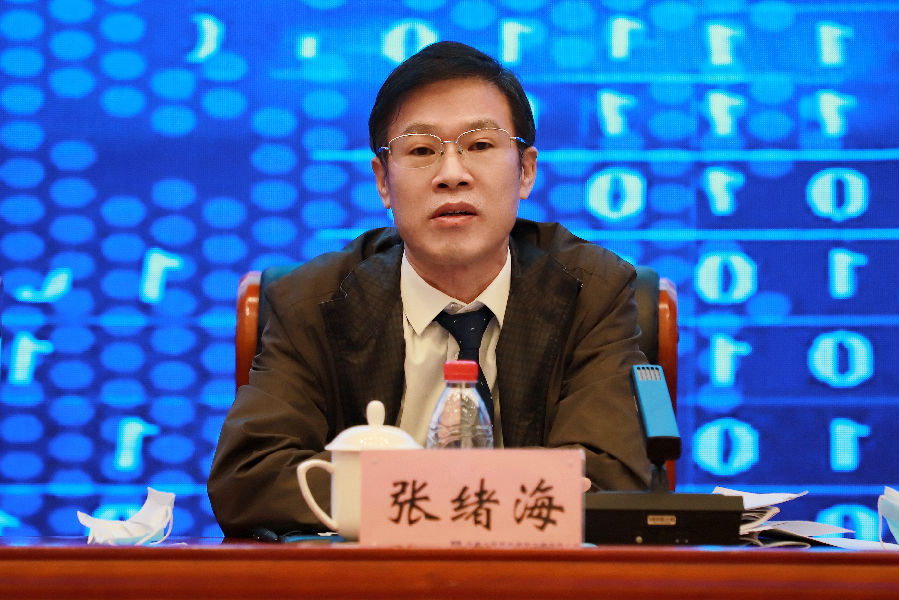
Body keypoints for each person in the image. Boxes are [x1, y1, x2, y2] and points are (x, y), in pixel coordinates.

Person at [208, 41, 652, 537]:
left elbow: (610, 480)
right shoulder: (312, 300)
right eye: (421, 150)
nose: (452, 175)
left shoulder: (592, 292)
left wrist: (384, 493)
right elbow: (249, 479)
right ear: (383, 180)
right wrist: (463, 497)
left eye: (480, 146)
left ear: (526, 171)